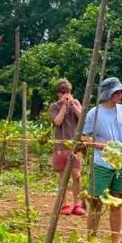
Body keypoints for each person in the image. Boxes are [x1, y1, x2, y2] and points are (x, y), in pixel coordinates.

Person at [83, 77, 122, 243]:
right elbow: (83, 136)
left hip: (121, 163)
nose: (120, 95)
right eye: (117, 92)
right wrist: (99, 144)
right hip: (102, 163)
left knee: (117, 203)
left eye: (121, 92)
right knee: (96, 203)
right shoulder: (94, 113)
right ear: (107, 94)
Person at [49, 78, 84, 216]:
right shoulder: (54, 106)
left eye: (68, 92)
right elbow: (57, 122)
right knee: (63, 177)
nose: (66, 94)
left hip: (75, 146)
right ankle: (63, 205)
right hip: (60, 146)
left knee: (77, 175)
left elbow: (82, 118)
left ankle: (77, 204)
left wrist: (73, 105)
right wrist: (63, 106)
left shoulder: (76, 103)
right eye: (63, 92)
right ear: (58, 93)